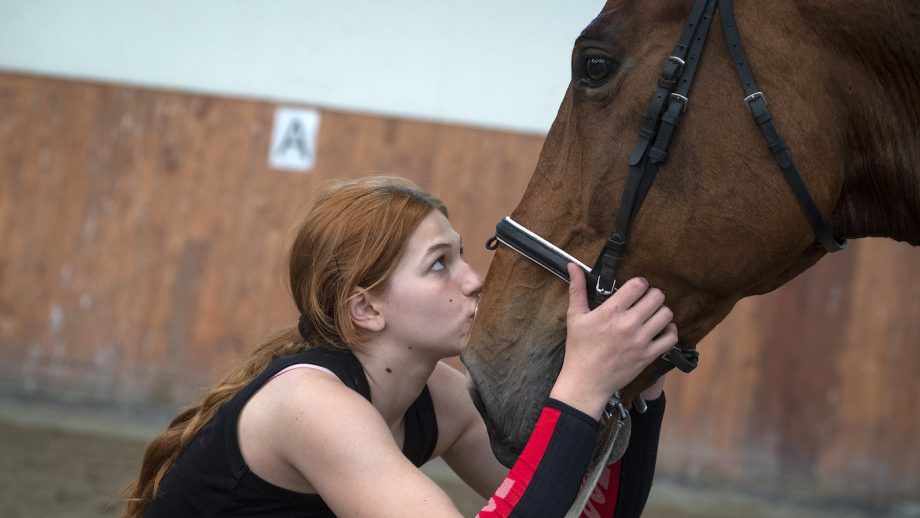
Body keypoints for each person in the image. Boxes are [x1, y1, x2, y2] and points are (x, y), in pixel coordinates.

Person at [122, 176, 677, 518]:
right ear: (366, 307)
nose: (474, 279)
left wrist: (640, 387)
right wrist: (580, 389)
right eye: (440, 264)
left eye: (461, 255)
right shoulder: (310, 403)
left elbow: (587, 512)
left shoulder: (439, 396)